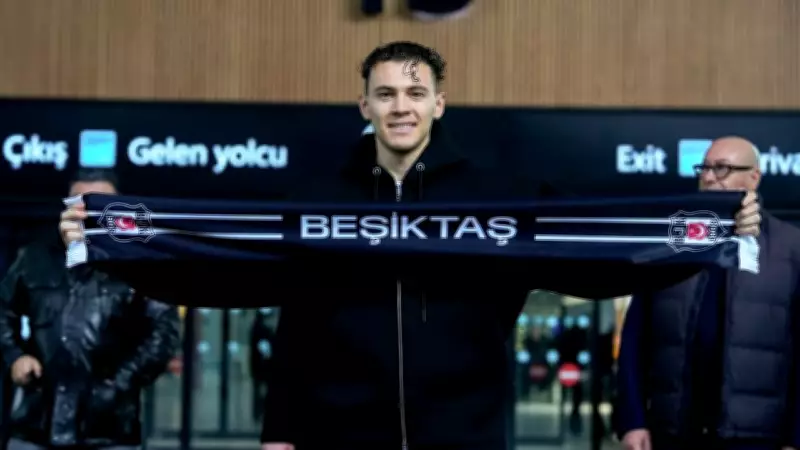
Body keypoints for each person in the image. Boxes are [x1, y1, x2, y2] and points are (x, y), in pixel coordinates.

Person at [58, 43, 763, 450]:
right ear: (364, 105)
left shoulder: (495, 197)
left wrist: (707, 232)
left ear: (438, 104)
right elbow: (239, 284)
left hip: (465, 435)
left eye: (415, 92)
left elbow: (592, 253)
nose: (402, 105)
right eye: (387, 93)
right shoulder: (317, 201)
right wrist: (108, 242)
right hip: (338, 436)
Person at [615, 137, 800, 450]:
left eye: (722, 168)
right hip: (673, 431)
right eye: (705, 168)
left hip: (756, 436)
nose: (710, 177)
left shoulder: (792, 248)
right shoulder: (670, 243)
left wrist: (796, 438)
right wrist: (632, 420)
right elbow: (635, 339)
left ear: (754, 177)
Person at [0, 169, 181, 450]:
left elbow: (164, 332)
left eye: (98, 204)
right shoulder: (34, 258)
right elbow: (3, 310)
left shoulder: (139, 263)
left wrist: (118, 385)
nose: (87, 213)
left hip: (108, 429)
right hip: (36, 423)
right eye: (79, 203)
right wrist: (15, 356)